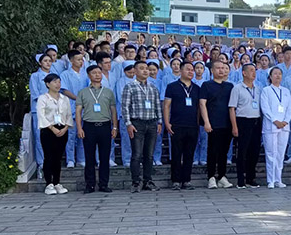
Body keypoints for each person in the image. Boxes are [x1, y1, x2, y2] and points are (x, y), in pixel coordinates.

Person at [76, 65, 118, 193]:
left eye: (99, 73)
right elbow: (78, 111)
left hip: (105, 126)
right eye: (94, 73)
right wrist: (79, 128)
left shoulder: (108, 92)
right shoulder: (83, 92)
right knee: (89, 157)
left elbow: (113, 110)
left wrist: (115, 127)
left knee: (105, 157)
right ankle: (90, 185)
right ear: (89, 75)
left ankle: (104, 184)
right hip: (89, 126)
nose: (97, 75)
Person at [121, 61, 162, 193]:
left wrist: (159, 122)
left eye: (147, 69)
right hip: (137, 123)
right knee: (137, 154)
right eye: (142, 68)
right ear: (135, 71)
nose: (145, 71)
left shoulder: (153, 87)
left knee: (149, 155)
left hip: (151, 123)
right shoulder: (130, 87)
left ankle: (148, 181)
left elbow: (157, 106)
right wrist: (128, 124)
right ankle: (136, 182)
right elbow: (125, 107)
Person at [163, 62, 200, 190]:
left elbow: (199, 108)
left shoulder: (197, 88)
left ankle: (187, 180)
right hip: (177, 125)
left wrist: (198, 123)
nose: (191, 72)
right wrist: (167, 122)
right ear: (181, 70)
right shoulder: (172, 87)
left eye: (192, 70)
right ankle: (176, 180)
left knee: (189, 154)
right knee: (176, 153)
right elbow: (166, 105)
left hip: (192, 125)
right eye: (188, 69)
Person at [199, 61, 235, 189]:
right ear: (212, 71)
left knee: (224, 152)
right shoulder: (206, 85)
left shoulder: (230, 86)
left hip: (227, 123)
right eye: (218, 68)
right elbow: (202, 104)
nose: (221, 70)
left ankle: (222, 176)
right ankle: (211, 177)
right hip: (213, 123)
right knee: (212, 151)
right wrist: (206, 122)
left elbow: (233, 106)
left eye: (223, 68)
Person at [37, 73, 73, 195]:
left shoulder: (64, 98)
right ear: (48, 84)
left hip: (62, 129)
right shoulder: (43, 98)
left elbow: (68, 114)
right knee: (49, 157)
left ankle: (57, 182)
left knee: (58, 157)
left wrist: (66, 127)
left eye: (59, 82)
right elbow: (41, 116)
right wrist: (52, 128)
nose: (58, 84)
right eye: (54, 82)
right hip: (48, 129)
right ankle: (49, 183)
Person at [229, 64, 263, 189]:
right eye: (251, 70)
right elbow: (232, 108)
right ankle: (240, 179)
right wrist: (234, 126)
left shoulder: (258, 89)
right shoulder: (237, 88)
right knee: (242, 151)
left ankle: (250, 178)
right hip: (243, 121)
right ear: (244, 73)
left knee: (254, 151)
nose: (254, 73)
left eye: (255, 71)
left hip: (256, 121)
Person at [260, 66, 291, 188]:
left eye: (279, 74)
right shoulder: (266, 90)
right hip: (271, 126)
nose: (277, 76)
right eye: (275, 74)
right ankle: (271, 180)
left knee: (280, 153)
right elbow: (265, 108)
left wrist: (285, 121)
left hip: (284, 126)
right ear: (270, 76)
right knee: (271, 153)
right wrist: (275, 120)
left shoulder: (286, 91)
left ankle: (278, 179)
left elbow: (289, 108)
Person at [60, 50, 87, 168]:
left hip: (85, 108)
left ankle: (81, 159)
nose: (81, 62)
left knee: (83, 135)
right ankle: (70, 159)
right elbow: (64, 90)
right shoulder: (65, 74)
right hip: (71, 107)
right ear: (71, 60)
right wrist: (77, 98)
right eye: (78, 59)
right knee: (70, 135)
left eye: (82, 59)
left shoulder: (86, 74)